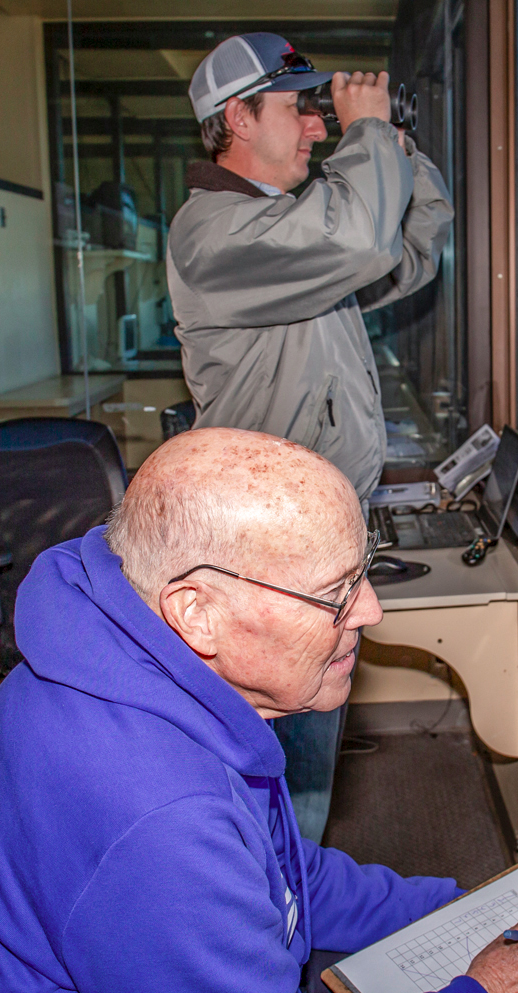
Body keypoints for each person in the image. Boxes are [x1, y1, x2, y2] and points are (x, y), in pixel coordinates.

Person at [0, 428, 518, 993]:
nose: (372, 610)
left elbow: (285, 880)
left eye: (363, 571)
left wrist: (480, 908)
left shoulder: (121, 653)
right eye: (336, 592)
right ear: (197, 611)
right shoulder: (159, 819)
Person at [167, 32, 455, 839]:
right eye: (300, 110)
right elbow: (358, 238)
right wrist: (365, 139)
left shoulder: (284, 236)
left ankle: (289, 901)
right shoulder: (215, 235)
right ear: (237, 118)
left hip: (314, 541)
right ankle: (265, 927)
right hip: (263, 555)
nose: (318, 128)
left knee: (306, 746)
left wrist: (395, 144)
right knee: (278, 764)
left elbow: (403, 256)